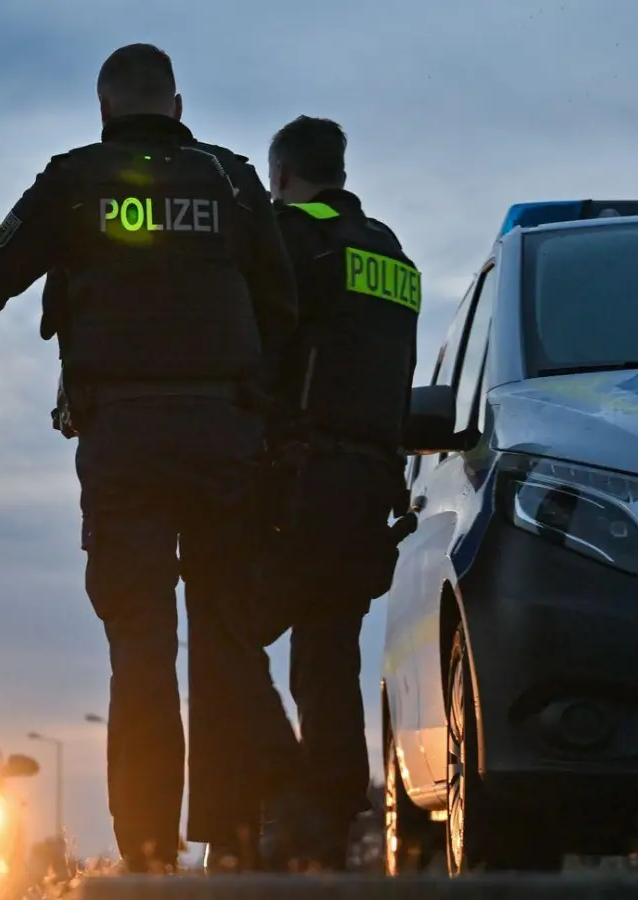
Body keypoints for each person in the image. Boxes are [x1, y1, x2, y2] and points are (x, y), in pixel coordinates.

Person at [0, 43, 299, 873]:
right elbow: (282, 309)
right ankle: (235, 846)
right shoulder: (231, 180)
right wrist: (267, 428)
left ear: (104, 109)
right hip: (227, 439)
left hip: (124, 445)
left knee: (141, 649)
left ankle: (148, 857)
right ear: (177, 106)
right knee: (227, 643)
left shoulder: (74, 181)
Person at [253, 116, 421, 871]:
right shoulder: (391, 251)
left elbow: (261, 351)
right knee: (327, 659)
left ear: (282, 175)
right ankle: (324, 827)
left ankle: (294, 800)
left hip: (301, 478)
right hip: (371, 487)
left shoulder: (291, 237)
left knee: (230, 633)